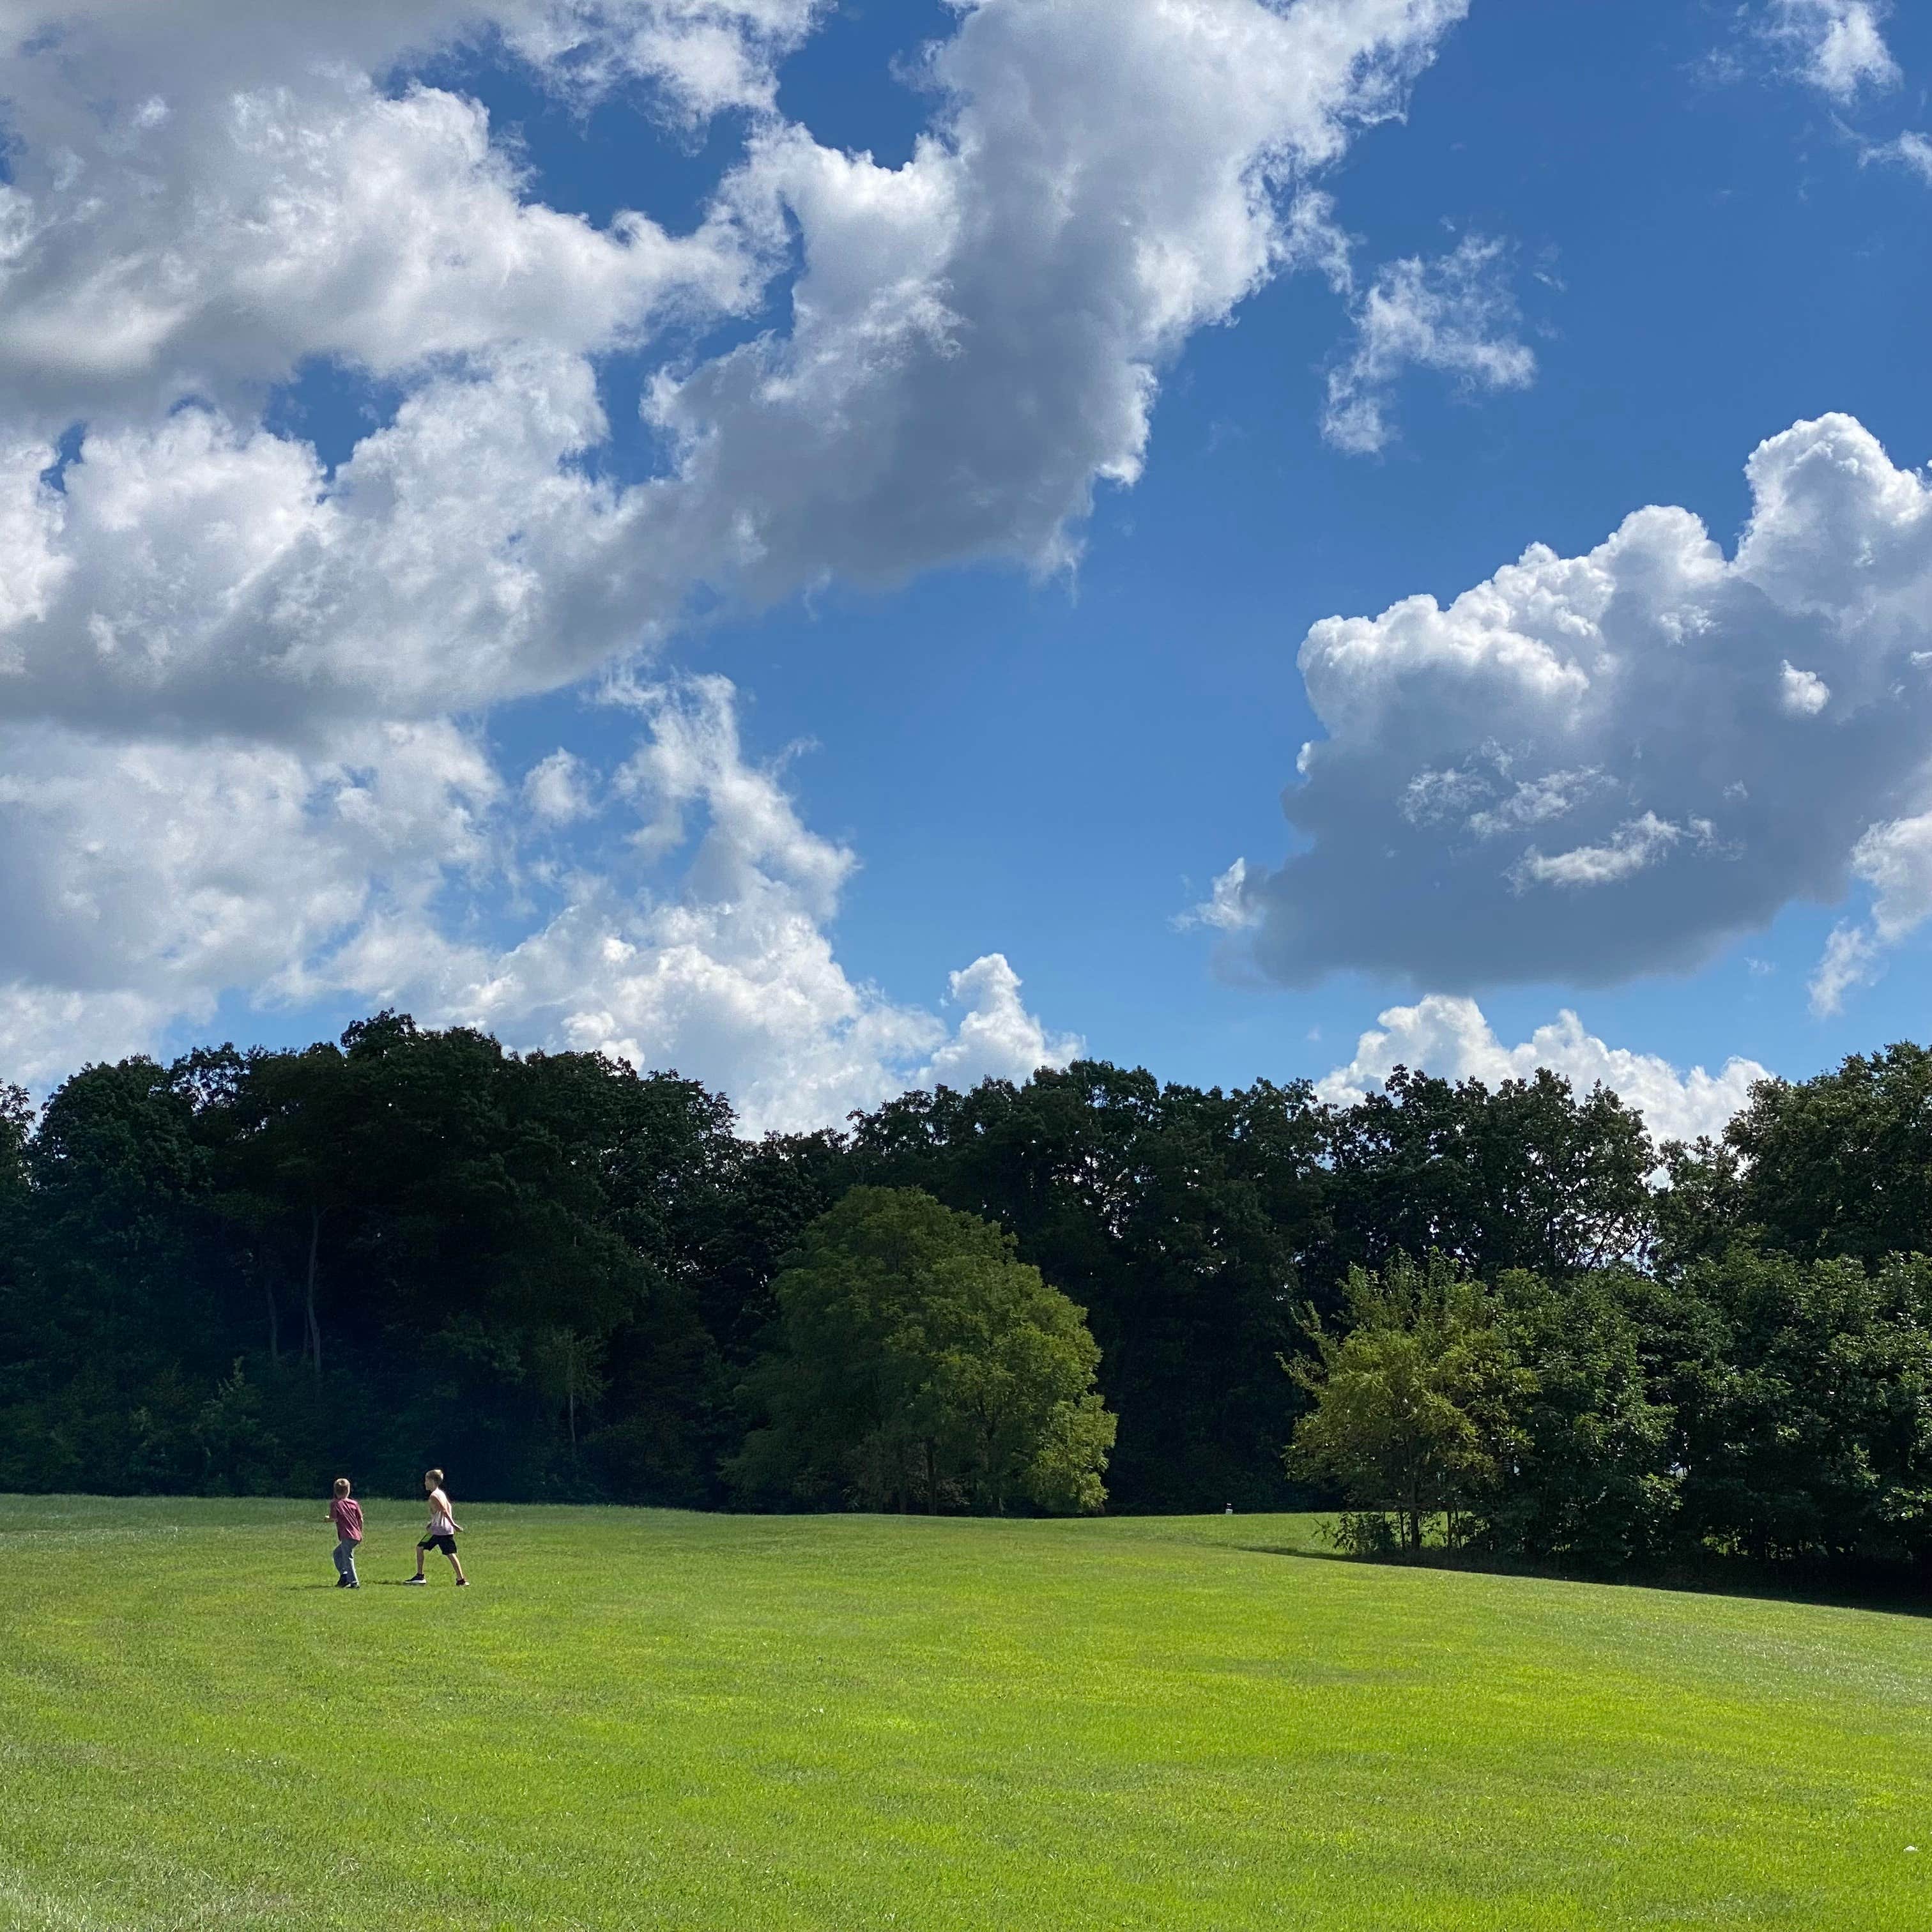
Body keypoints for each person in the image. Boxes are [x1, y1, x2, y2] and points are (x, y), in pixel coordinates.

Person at [406, 1468, 468, 1586]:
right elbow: (446, 1509)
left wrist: (453, 1524)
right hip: (441, 1529)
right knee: (449, 1553)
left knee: (420, 1548)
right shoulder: (441, 1493)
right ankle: (461, 1580)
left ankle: (420, 1576)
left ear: (432, 1481)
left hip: (438, 1531)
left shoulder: (434, 1496)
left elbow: (444, 1510)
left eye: (426, 1480)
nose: (425, 1483)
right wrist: (433, 1522)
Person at [327, 1477, 364, 1589]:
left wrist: (327, 1519)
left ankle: (354, 1582)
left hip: (347, 1535)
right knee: (337, 1553)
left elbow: (334, 1517)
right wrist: (360, 1532)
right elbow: (360, 1519)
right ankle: (345, 1575)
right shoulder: (354, 1503)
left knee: (348, 1557)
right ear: (348, 1490)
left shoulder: (335, 1503)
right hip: (356, 1534)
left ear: (335, 1490)